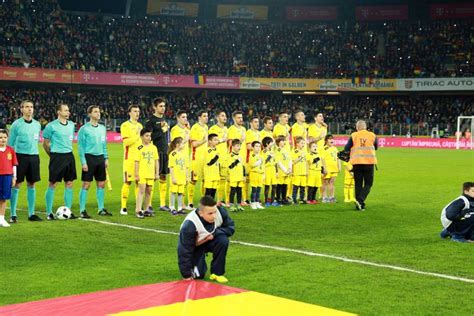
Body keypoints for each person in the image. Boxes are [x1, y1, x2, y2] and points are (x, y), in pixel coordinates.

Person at [178, 196, 235, 283]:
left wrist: (214, 233)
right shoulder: (189, 225)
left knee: (222, 240)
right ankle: (197, 267)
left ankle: (217, 273)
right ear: (201, 213)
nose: (214, 216)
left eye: (215, 212)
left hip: (210, 241)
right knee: (198, 276)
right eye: (210, 214)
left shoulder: (221, 212)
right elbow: (184, 251)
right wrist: (186, 275)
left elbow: (230, 228)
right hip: (195, 246)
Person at [8, 100, 42, 222]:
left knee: (31, 184)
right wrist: (10, 161)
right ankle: (13, 214)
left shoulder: (37, 124)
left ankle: (31, 214)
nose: (29, 109)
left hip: (34, 156)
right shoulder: (16, 125)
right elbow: (10, 144)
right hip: (19, 157)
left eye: (31, 107)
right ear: (21, 109)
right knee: (16, 184)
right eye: (27, 107)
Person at [43, 104, 77, 220]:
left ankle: (68, 210)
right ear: (59, 112)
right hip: (57, 157)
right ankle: (49, 212)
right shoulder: (51, 126)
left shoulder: (72, 125)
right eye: (66, 110)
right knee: (53, 183)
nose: (68, 112)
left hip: (69, 156)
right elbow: (45, 143)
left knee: (69, 183)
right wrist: (52, 155)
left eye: (68, 110)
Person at [77, 105, 111, 218]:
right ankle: (82, 210)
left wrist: (106, 158)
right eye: (95, 112)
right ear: (90, 114)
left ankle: (101, 209)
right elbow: (80, 147)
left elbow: (104, 145)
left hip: (100, 158)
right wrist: (83, 162)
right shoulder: (84, 129)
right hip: (89, 158)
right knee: (86, 184)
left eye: (99, 112)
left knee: (101, 184)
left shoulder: (102, 128)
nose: (98, 113)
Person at [344, 120, 378, 211]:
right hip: (369, 163)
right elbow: (376, 147)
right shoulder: (372, 135)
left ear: (357, 127)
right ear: (365, 127)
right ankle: (360, 200)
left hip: (357, 163)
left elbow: (346, 148)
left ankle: (359, 204)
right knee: (368, 184)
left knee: (358, 184)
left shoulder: (354, 135)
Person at [145, 98, 170, 213]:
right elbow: (148, 137)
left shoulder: (163, 119)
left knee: (163, 176)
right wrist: (162, 130)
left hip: (164, 152)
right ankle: (148, 204)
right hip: (155, 152)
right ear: (154, 107)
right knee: (153, 178)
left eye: (164, 106)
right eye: (160, 106)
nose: (163, 108)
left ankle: (162, 204)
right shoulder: (150, 121)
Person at [120, 104, 143, 215]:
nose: (137, 113)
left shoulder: (140, 125)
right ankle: (123, 207)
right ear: (129, 113)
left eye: (138, 111)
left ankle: (138, 206)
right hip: (129, 159)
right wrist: (138, 133)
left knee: (139, 182)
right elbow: (126, 142)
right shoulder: (125, 126)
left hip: (139, 159)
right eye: (134, 111)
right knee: (128, 182)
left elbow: (141, 144)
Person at [134, 129, 159, 219]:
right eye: (147, 136)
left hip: (151, 173)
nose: (149, 138)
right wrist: (136, 174)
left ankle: (146, 209)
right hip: (142, 173)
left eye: (150, 136)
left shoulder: (154, 148)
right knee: (141, 191)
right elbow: (136, 162)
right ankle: (138, 210)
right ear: (141, 137)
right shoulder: (139, 148)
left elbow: (156, 161)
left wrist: (157, 173)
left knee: (149, 191)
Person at [170, 110, 191, 210]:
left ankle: (181, 203)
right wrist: (186, 137)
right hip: (178, 158)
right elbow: (176, 143)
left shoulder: (187, 129)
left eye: (186, 117)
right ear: (178, 118)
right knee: (177, 182)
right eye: (183, 117)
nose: (185, 119)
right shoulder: (175, 129)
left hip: (185, 156)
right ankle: (178, 205)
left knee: (185, 181)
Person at [189, 110, 209, 208]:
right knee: (193, 180)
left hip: (205, 158)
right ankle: (190, 202)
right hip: (196, 158)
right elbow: (193, 144)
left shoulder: (206, 127)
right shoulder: (195, 128)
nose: (206, 117)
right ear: (199, 117)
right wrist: (204, 140)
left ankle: (203, 201)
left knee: (205, 180)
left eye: (207, 116)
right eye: (204, 116)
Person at [208, 110, 229, 206]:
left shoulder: (226, 129)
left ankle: (220, 200)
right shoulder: (213, 129)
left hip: (224, 157)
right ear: (217, 118)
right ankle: (208, 199)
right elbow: (211, 143)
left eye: (225, 116)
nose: (225, 117)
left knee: (223, 179)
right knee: (213, 180)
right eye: (222, 116)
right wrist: (221, 140)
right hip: (215, 157)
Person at [227, 111, 247, 205]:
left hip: (241, 156)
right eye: (239, 117)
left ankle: (240, 201)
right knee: (232, 184)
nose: (241, 119)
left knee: (241, 182)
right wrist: (241, 140)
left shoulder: (243, 128)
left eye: (241, 117)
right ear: (234, 119)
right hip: (233, 157)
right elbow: (231, 143)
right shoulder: (231, 129)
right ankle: (229, 201)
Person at [0, 129, 17, 227]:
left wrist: (14, 177)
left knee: (4, 198)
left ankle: (1, 219)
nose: (3, 140)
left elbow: (14, 165)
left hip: (7, 176)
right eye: (0, 138)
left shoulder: (11, 150)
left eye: (5, 138)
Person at [168, 137, 188, 215]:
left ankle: (179, 208)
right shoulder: (173, 154)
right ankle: (172, 207)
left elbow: (186, 167)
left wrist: (187, 177)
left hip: (182, 177)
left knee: (180, 193)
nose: (184, 145)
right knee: (173, 192)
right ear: (177, 145)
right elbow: (171, 167)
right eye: (182, 143)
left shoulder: (184, 154)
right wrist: (173, 178)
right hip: (175, 177)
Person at [227, 139, 245, 212]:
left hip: (240, 176)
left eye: (240, 146)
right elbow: (230, 166)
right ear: (233, 146)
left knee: (239, 191)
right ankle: (231, 205)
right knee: (233, 191)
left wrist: (244, 175)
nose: (239, 147)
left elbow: (243, 167)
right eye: (237, 146)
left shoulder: (240, 155)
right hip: (234, 176)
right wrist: (237, 161)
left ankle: (238, 205)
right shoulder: (230, 156)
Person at [321, 134, 339, 203]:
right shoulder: (324, 148)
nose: (332, 140)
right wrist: (324, 168)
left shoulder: (335, 148)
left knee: (332, 182)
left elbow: (337, 158)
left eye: (332, 139)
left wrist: (339, 166)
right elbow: (322, 159)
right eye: (330, 139)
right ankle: (324, 197)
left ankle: (331, 197)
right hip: (327, 168)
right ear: (326, 141)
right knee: (325, 182)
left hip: (334, 168)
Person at [275, 136, 291, 205]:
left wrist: (290, 168)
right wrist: (285, 170)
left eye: (284, 140)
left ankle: (284, 198)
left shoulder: (286, 150)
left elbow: (289, 159)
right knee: (279, 185)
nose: (284, 142)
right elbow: (278, 162)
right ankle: (278, 198)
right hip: (282, 171)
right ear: (278, 142)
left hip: (287, 171)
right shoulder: (277, 151)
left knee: (285, 185)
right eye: (282, 141)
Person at [262, 136, 278, 207]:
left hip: (273, 170)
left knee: (274, 186)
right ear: (267, 144)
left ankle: (272, 201)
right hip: (267, 169)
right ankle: (266, 201)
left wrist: (277, 171)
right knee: (267, 186)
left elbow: (275, 162)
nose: (272, 144)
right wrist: (269, 157)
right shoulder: (264, 152)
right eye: (271, 142)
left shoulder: (272, 151)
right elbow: (263, 162)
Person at [203, 134, 220, 199]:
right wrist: (216, 157)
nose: (217, 141)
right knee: (208, 191)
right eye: (215, 140)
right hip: (209, 175)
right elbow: (209, 163)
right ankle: (206, 205)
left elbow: (217, 164)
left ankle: (211, 205)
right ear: (210, 141)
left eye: (217, 140)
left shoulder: (217, 150)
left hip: (216, 174)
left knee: (213, 191)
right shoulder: (207, 151)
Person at [248, 141, 264, 210]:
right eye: (256, 146)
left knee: (259, 189)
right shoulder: (252, 155)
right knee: (254, 189)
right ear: (253, 147)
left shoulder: (261, 156)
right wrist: (259, 162)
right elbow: (252, 165)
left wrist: (263, 174)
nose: (258, 148)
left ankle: (257, 202)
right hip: (254, 173)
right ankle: (253, 203)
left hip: (260, 174)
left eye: (259, 146)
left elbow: (263, 166)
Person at [291, 136, 307, 204]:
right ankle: (294, 199)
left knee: (303, 187)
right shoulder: (295, 151)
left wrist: (306, 171)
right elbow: (293, 161)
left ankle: (301, 199)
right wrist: (300, 157)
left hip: (303, 172)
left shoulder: (303, 151)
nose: (303, 144)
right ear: (297, 144)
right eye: (301, 143)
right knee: (296, 187)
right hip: (297, 172)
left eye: (304, 143)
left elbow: (305, 162)